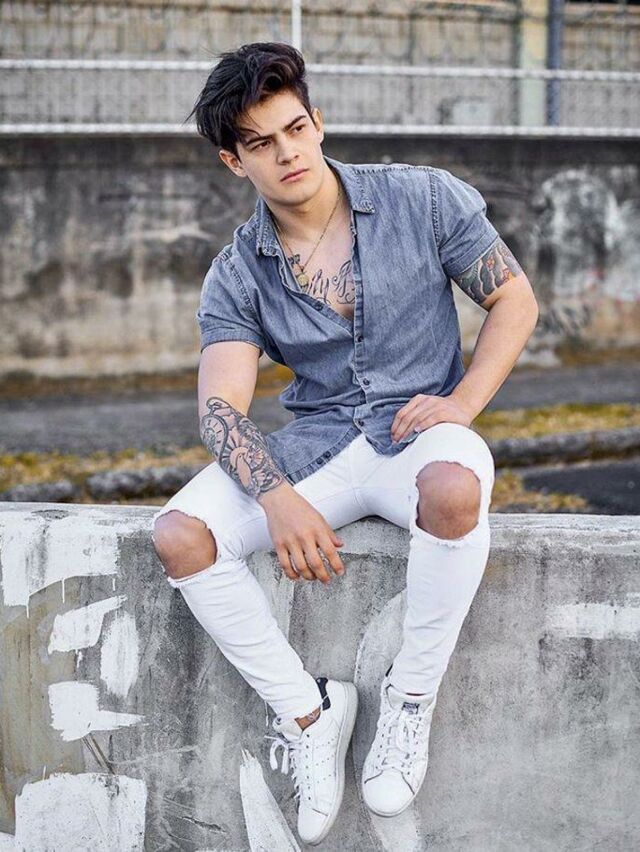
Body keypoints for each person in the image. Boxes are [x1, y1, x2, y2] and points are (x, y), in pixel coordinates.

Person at [151, 41, 539, 846]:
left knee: (455, 494)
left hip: (420, 433)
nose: (287, 152)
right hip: (319, 444)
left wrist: (462, 402)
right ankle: (310, 714)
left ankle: (409, 700)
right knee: (180, 536)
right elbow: (220, 408)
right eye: (261, 143)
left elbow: (513, 299)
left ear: (318, 122)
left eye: (295, 128)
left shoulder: (421, 198)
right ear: (233, 161)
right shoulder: (238, 271)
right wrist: (276, 497)